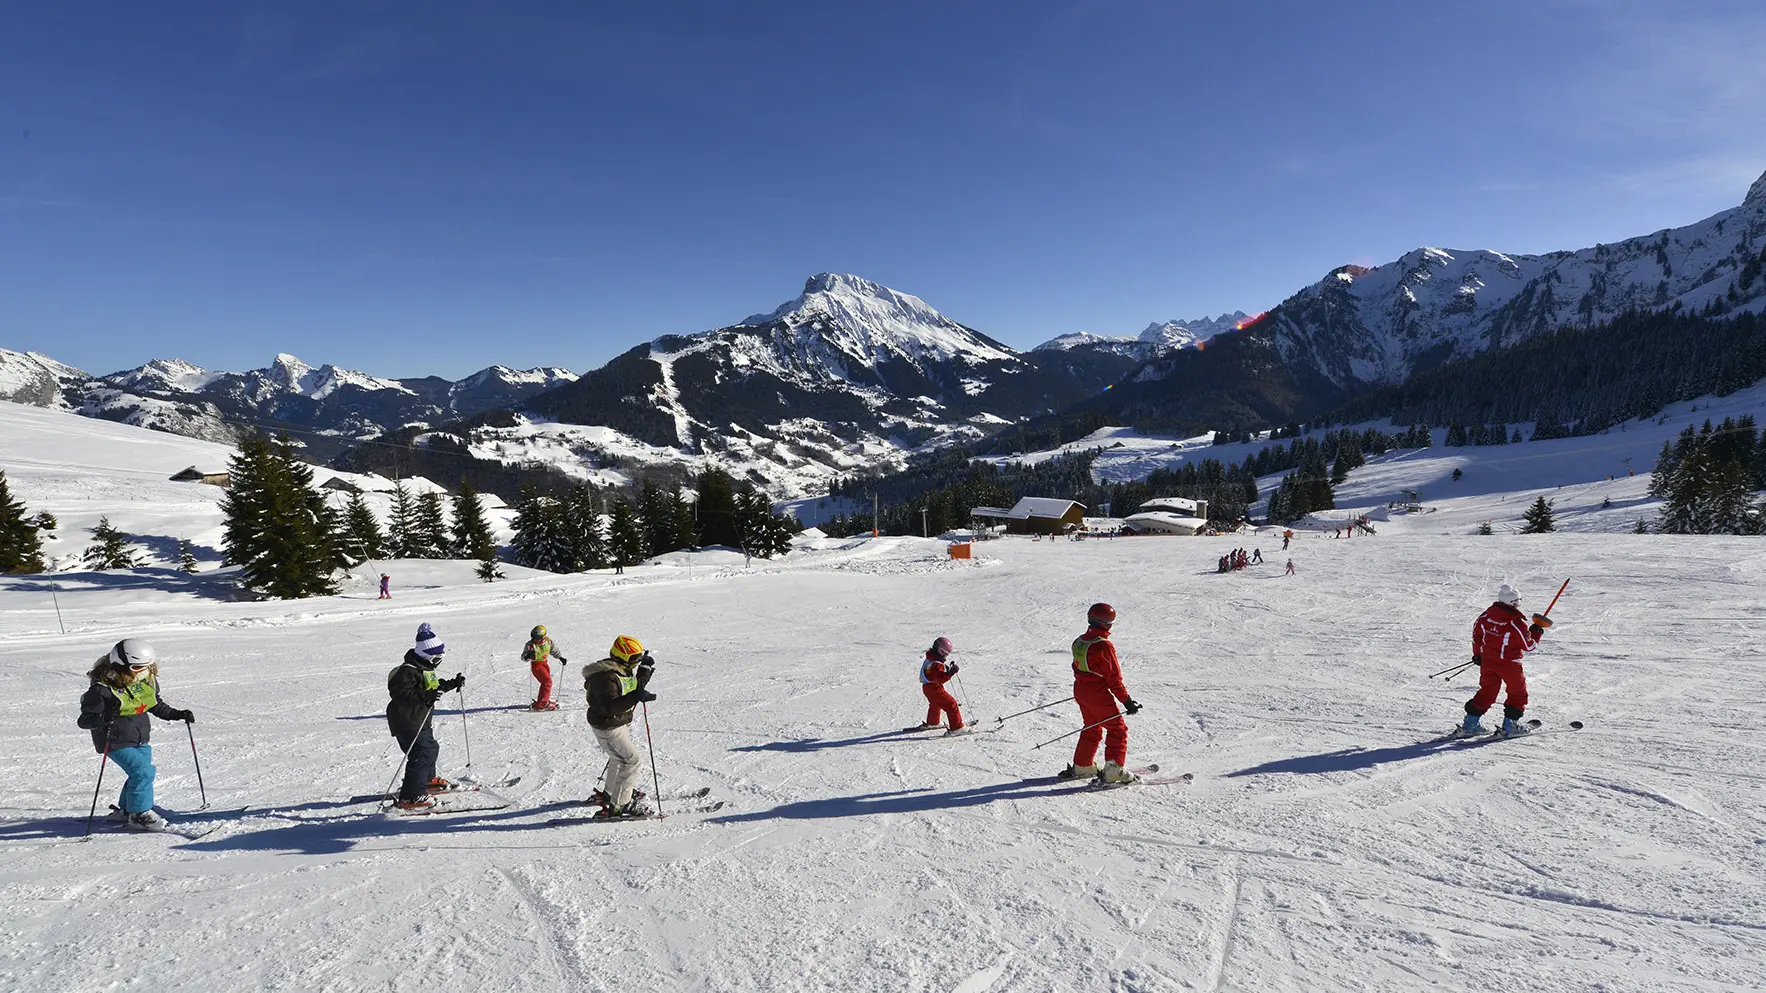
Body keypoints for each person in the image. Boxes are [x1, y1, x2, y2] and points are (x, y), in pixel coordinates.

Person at [76, 639, 195, 831]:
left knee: (138, 774)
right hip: (114, 740)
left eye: (147, 666)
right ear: (119, 663)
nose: (142, 671)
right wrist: (105, 715)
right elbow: (85, 721)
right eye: (137, 666)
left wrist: (176, 714)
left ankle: (126, 810)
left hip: (140, 737)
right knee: (143, 772)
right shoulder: (102, 689)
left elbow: (154, 703)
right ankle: (139, 814)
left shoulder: (145, 679)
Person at [1059, 603, 1142, 784]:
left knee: (1092, 726)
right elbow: (1114, 679)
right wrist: (1127, 701)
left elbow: (1077, 667)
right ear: (1107, 624)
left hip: (1081, 690)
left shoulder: (1079, 641)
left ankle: (1083, 765)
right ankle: (1114, 770)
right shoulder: (1104, 646)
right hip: (1097, 693)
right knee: (1117, 730)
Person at [386, 623, 464, 810]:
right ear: (427, 656)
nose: (439, 662)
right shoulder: (407, 671)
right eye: (437, 658)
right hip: (406, 720)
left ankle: (427, 781)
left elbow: (433, 687)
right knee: (421, 754)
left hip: (420, 719)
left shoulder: (424, 668)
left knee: (430, 748)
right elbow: (402, 696)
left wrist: (453, 683)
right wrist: (426, 696)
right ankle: (411, 796)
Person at [583, 635, 657, 818]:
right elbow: (607, 707)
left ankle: (611, 794)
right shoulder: (604, 678)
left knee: (618, 759)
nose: (635, 662)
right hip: (609, 727)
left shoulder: (618, 670)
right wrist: (635, 697)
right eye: (634, 659)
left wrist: (644, 669)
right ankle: (620, 805)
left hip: (615, 724)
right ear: (622, 657)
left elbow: (632, 686)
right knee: (631, 761)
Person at [1457, 584, 1543, 737]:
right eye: (1518, 601)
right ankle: (1510, 726)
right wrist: (1535, 633)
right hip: (1509, 665)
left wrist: (1477, 654)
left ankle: (1470, 724)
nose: (1519, 604)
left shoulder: (1486, 616)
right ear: (1513, 603)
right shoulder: (1515, 622)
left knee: (1487, 692)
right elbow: (1528, 646)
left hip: (1488, 662)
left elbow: (1477, 635)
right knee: (1518, 693)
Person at [910, 637, 965, 735]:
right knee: (951, 704)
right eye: (942, 651)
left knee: (935, 703)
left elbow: (934, 673)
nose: (944, 655)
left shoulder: (931, 657)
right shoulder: (935, 663)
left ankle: (933, 722)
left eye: (946, 653)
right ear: (936, 647)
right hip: (934, 688)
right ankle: (957, 728)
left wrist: (946, 669)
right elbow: (940, 678)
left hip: (927, 687)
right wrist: (951, 672)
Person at [522, 624, 568, 711]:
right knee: (547, 682)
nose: (535, 639)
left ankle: (543, 700)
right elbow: (523, 657)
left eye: (537, 637)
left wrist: (560, 658)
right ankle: (542, 704)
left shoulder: (548, 642)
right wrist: (527, 656)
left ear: (543, 636)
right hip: (536, 666)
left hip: (544, 664)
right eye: (533, 637)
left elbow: (553, 650)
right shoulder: (530, 645)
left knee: (545, 683)